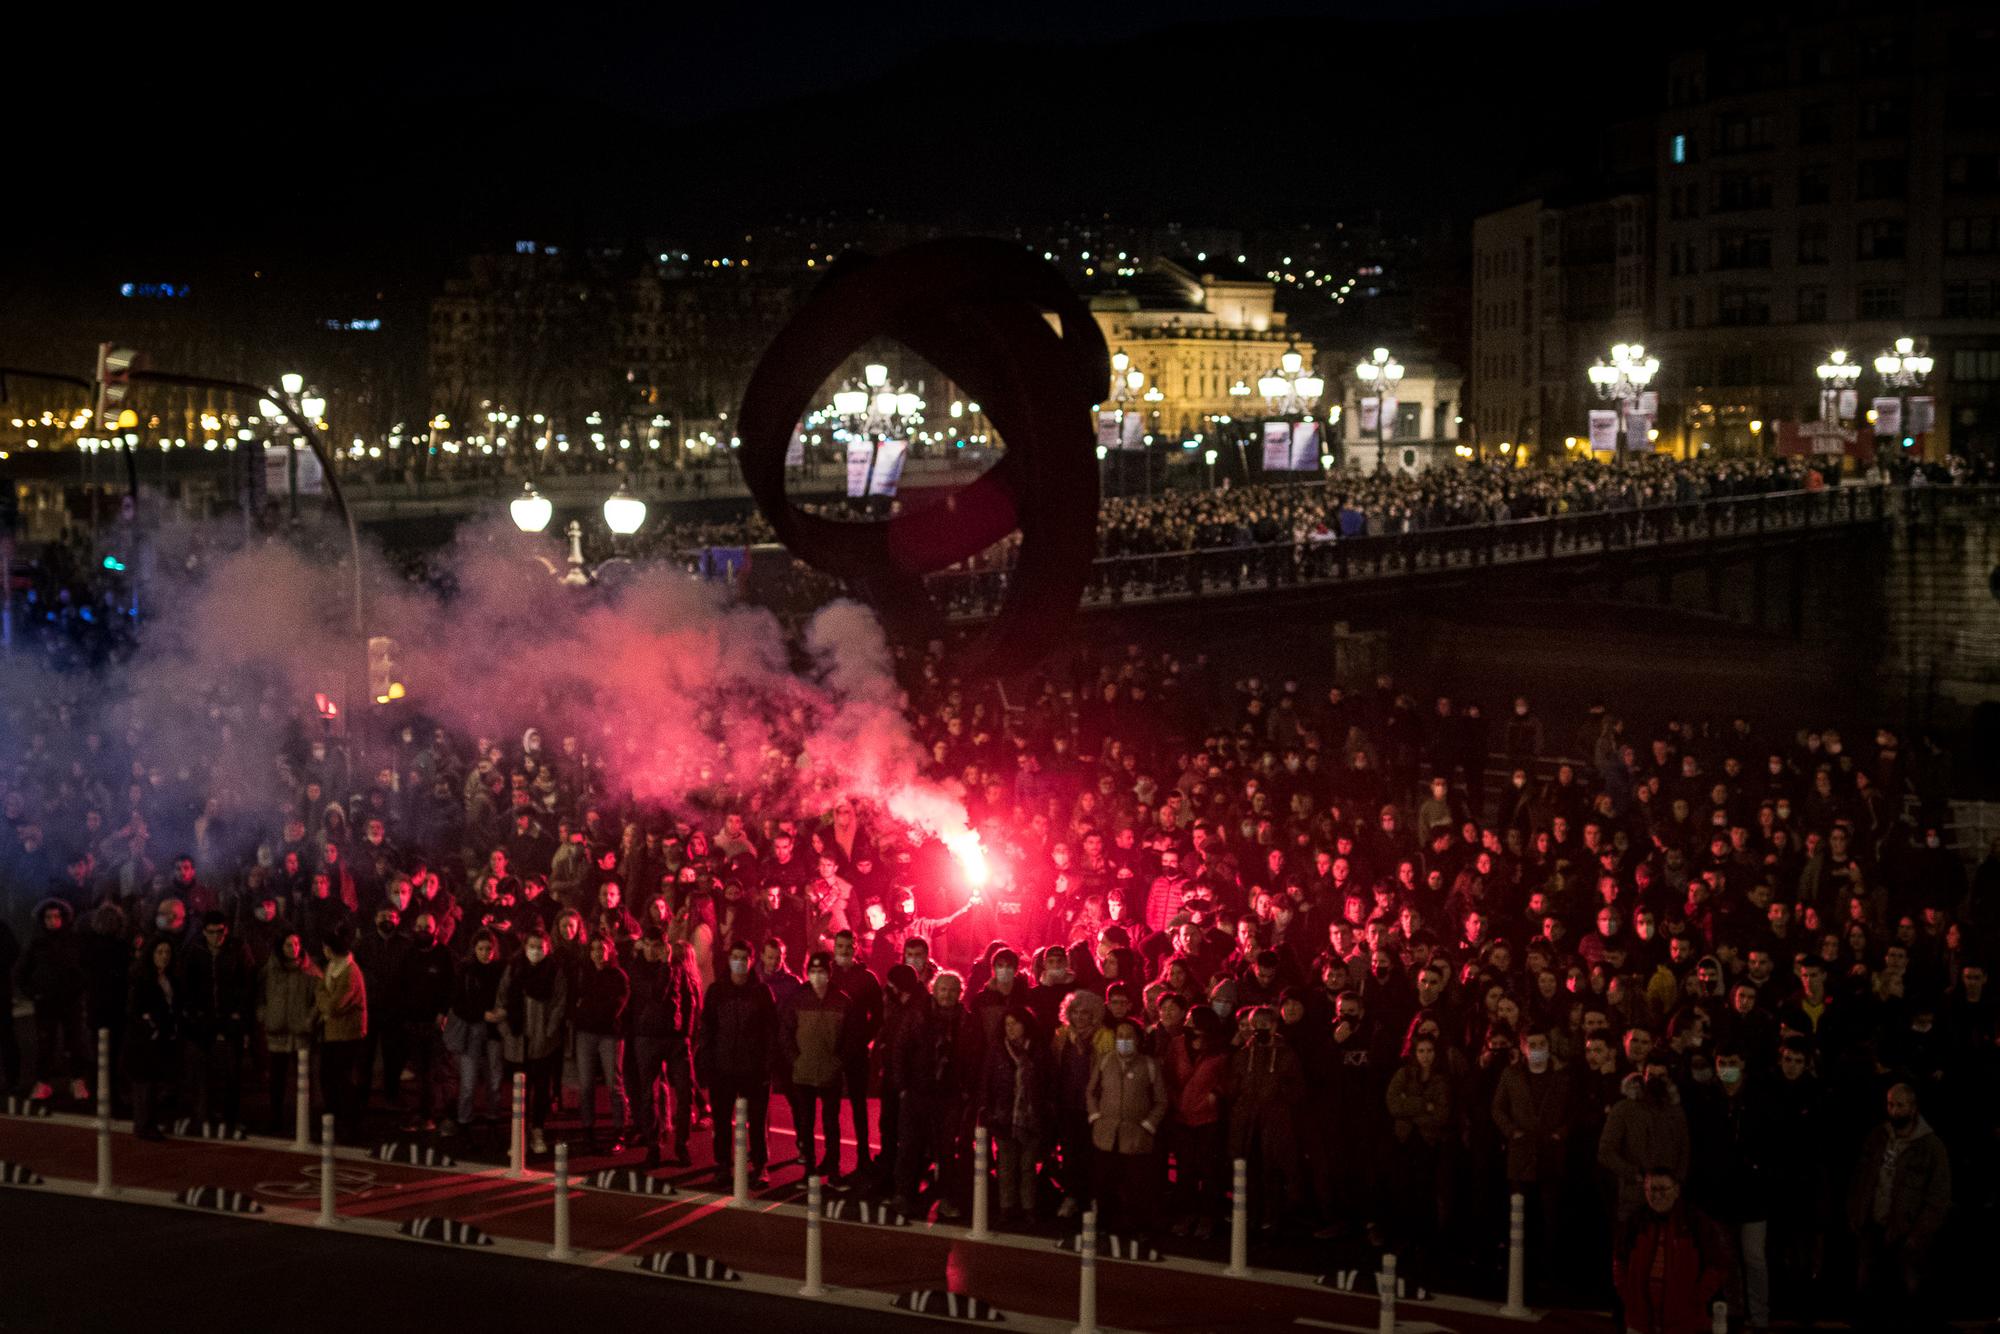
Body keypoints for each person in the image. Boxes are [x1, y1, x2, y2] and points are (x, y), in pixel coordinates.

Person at [1846, 1082, 1951, 1331]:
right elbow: (1861, 1177)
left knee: (1910, 1288)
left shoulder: (1930, 1147)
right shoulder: (1878, 1136)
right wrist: (1856, 1213)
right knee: (1868, 1285)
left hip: (1907, 1230)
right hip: (1874, 1224)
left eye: (1900, 1105)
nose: (1894, 1111)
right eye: (1891, 1104)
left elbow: (1938, 1195)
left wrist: (1919, 1232)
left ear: (1913, 1108)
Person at [698, 939, 777, 1187]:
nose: (739, 962)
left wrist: (768, 1065)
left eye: (744, 958)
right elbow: (707, 1029)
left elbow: (771, 1032)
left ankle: (760, 1165)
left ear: (752, 961)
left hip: (754, 1068)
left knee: (757, 1120)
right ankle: (722, 1165)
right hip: (723, 1067)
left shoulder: (761, 992)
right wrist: (707, 1063)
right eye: (735, 957)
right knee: (721, 1121)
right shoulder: (717, 991)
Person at [1612, 1171, 1731, 1334]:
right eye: (1652, 1189)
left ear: (1676, 1191)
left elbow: (1716, 1265)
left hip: (1684, 1322)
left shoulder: (1696, 1223)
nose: (1657, 1195)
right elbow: (1620, 1261)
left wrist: (1696, 1299)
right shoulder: (1635, 1222)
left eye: (1663, 1189)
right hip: (1640, 1320)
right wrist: (1630, 1296)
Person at [1087, 1016, 1168, 1242]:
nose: (1123, 1040)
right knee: (1105, 1183)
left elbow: (1161, 1101)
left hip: (1136, 1136)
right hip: (1106, 1133)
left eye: (1128, 1036)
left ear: (1138, 1039)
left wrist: (1148, 1125)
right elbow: (1091, 1091)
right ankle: (1105, 1224)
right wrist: (1095, 1116)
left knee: (1135, 1185)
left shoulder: (1149, 1065)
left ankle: (1135, 1226)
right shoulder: (1105, 1061)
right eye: (1120, 1036)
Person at [630, 931, 702, 1169]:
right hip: (647, 1037)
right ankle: (653, 1146)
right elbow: (657, 992)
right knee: (649, 1095)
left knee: (685, 1092)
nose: (652, 950)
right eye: (648, 945)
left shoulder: (677, 968)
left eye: (657, 946)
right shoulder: (638, 968)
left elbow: (690, 1000)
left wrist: (688, 1035)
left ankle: (681, 1144)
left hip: (675, 1038)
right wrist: (665, 966)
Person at [496, 927, 569, 1156]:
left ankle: (537, 1129)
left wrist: (549, 1030)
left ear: (547, 948)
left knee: (541, 1088)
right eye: (532, 946)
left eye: (540, 947)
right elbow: (503, 997)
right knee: (519, 1089)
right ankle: (518, 1133)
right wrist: (506, 1029)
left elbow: (559, 1001)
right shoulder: (515, 967)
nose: (536, 951)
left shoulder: (554, 970)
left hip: (543, 1040)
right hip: (518, 1037)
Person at [180, 911, 254, 1130]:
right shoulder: (195, 950)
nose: (216, 937)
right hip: (204, 1019)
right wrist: (194, 1013)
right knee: (205, 1071)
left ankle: (229, 1117)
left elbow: (247, 983)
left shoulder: (237, 948)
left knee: (232, 1072)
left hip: (230, 1018)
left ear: (226, 930)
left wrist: (239, 1013)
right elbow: (187, 984)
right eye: (211, 932)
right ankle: (207, 1114)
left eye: (219, 931)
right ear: (204, 931)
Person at [779, 949, 847, 1177]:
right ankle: (809, 1167)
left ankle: (833, 1166)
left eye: (821, 971)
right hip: (803, 1072)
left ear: (829, 973)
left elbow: (850, 1037)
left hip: (830, 1072)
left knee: (831, 1123)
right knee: (806, 1123)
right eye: (813, 971)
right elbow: (786, 1032)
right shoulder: (798, 999)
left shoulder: (841, 1001)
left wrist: (838, 1061)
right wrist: (794, 1060)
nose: (817, 976)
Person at [981, 1006, 1049, 1225]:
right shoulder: (997, 1050)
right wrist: (988, 1110)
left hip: (1031, 1118)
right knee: (1006, 1166)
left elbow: (1048, 1083)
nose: (1010, 1029)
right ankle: (1006, 1207)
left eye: (1015, 1024)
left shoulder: (1039, 1051)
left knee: (1028, 1166)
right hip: (1004, 1116)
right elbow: (987, 1081)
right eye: (1007, 1024)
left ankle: (1028, 1207)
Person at [17, 899, 90, 1103]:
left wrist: (79, 989)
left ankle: (77, 1080)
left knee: (74, 1043)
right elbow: (21, 972)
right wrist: (34, 993)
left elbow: (85, 968)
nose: (53, 921)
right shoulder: (36, 943)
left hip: (70, 1002)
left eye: (57, 916)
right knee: (45, 1044)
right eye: (49, 917)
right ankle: (43, 1083)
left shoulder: (74, 941)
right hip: (46, 1003)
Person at [256, 930, 320, 1135]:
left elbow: (318, 1000)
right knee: (277, 1081)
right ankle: (276, 1120)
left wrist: (309, 1020)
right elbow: (259, 995)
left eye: (296, 944)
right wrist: (264, 1014)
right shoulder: (270, 970)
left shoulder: (310, 971)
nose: (293, 949)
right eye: (288, 945)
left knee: (304, 1081)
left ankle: (304, 1121)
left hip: (301, 1034)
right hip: (277, 1033)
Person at [443, 929, 506, 1137]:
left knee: (494, 1080)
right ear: (474, 949)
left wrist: (500, 1013)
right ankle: (465, 1120)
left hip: (494, 1032)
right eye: (481, 948)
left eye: (489, 949)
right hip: (472, 1030)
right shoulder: (466, 970)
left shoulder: (501, 970)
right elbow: (457, 1003)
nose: (485, 953)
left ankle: (492, 1117)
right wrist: (482, 1014)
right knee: (468, 1082)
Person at [572, 934, 630, 1150]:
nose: (597, 952)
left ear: (610, 950)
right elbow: (577, 1001)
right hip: (586, 1032)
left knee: (614, 1083)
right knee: (586, 1084)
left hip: (609, 1034)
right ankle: (587, 1127)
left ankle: (619, 1130)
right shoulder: (584, 973)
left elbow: (615, 1007)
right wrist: (588, 1008)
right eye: (594, 948)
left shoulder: (618, 976)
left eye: (601, 948)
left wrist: (588, 1007)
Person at [315, 920, 368, 1143]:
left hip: (347, 1035)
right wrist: (325, 1003)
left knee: (343, 1080)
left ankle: (350, 1125)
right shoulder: (332, 967)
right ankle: (332, 1119)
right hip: (331, 1032)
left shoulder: (350, 972)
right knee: (327, 1078)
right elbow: (320, 990)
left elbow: (332, 1004)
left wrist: (324, 1004)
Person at [125, 936, 180, 1140]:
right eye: (160, 952)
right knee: (144, 1083)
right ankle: (144, 1124)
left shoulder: (169, 978)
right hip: (144, 1039)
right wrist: (150, 1024)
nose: (164, 956)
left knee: (154, 1082)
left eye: (167, 952)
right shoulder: (142, 978)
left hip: (161, 1037)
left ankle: (149, 1122)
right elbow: (134, 1010)